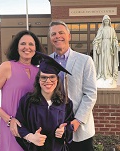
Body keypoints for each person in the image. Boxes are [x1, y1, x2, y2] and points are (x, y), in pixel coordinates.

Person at [0, 30, 45, 151]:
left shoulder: (39, 72)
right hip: (12, 126)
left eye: (31, 44)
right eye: (23, 44)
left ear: (36, 48)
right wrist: (8, 119)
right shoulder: (7, 67)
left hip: (32, 128)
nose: (27, 47)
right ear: (17, 47)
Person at [48, 20, 97, 151]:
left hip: (79, 128)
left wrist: (77, 120)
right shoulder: (46, 61)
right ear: (51, 38)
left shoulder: (85, 60)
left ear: (69, 36)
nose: (57, 36)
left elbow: (90, 94)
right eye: (53, 34)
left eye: (61, 32)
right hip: (54, 127)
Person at [15, 52, 74, 151]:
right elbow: (19, 124)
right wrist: (30, 137)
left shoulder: (66, 102)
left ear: (57, 80)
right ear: (38, 80)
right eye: (43, 77)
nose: (48, 81)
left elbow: (69, 125)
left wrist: (64, 131)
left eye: (52, 77)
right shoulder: (27, 101)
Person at [92, 15, 119, 81]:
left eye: (107, 20)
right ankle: (103, 73)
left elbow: (115, 38)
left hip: (110, 46)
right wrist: (96, 43)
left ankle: (109, 74)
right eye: (105, 20)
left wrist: (115, 43)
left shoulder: (112, 29)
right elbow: (97, 38)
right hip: (103, 46)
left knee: (109, 60)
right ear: (103, 22)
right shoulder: (101, 29)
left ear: (109, 21)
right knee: (103, 59)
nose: (106, 22)